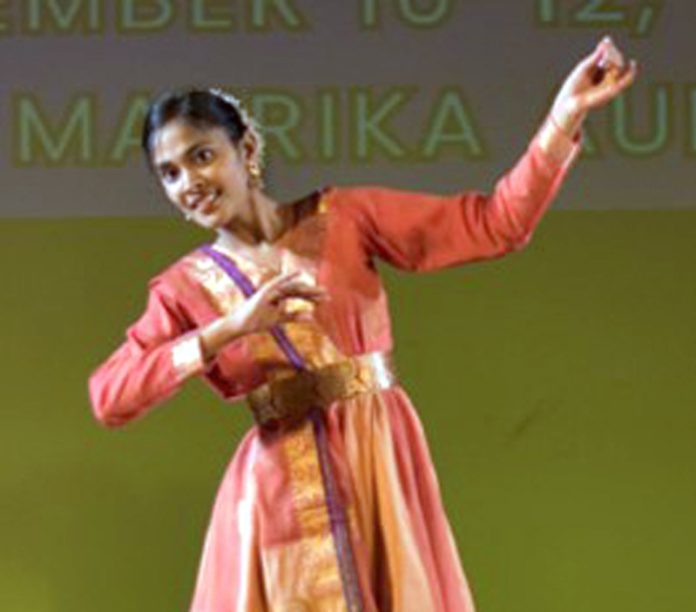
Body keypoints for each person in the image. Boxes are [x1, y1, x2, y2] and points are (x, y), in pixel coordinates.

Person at [88, 37, 637, 611]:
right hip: (279, 494)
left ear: (245, 147)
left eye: (201, 155)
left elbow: (495, 224)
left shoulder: (344, 217)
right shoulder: (183, 286)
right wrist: (226, 330)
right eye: (169, 173)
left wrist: (563, 116)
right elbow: (110, 397)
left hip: (379, 463)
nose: (189, 182)